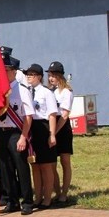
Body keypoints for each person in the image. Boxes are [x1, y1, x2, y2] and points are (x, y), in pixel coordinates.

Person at [0, 55, 35, 215]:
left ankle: (27, 202)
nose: (3, 73)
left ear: (14, 71)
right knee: (5, 168)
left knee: (21, 168)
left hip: (16, 133)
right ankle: (12, 201)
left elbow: (28, 116)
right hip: (0, 132)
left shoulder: (21, 90)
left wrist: (23, 137)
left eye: (6, 70)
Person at [24, 63, 58, 210]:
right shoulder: (26, 91)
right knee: (35, 165)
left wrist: (52, 134)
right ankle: (37, 197)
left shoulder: (46, 93)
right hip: (31, 128)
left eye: (31, 75)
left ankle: (47, 198)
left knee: (45, 165)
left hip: (43, 127)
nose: (28, 77)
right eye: (27, 75)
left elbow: (51, 115)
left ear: (39, 77)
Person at [47, 61, 74, 205]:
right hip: (52, 125)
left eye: (53, 76)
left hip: (62, 128)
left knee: (65, 161)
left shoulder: (66, 92)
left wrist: (54, 132)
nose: (51, 78)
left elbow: (64, 115)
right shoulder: (50, 92)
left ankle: (64, 193)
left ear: (60, 76)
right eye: (50, 76)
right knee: (52, 163)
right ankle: (56, 191)